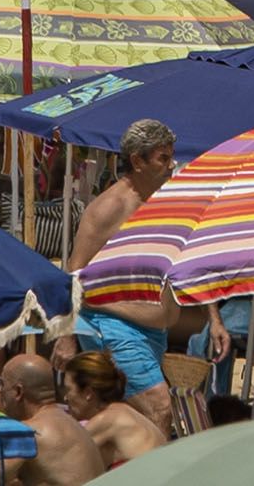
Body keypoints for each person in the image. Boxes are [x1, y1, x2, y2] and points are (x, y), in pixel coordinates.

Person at [62, 119, 183, 428]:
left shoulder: (162, 201)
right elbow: (74, 272)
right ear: (137, 161)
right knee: (159, 409)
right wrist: (67, 336)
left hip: (150, 328)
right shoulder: (110, 207)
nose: (172, 165)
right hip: (113, 326)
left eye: (172, 156)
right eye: (163, 158)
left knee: (126, 417)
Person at [0, 357, 100, 486]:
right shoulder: (70, 423)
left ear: (18, 392)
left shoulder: (29, 431)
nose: (0, 390)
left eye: (2, 385)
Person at [58, 351, 166, 469]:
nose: (65, 397)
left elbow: (61, 461)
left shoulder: (107, 420)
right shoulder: (124, 412)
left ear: (88, 393)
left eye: (68, 390)